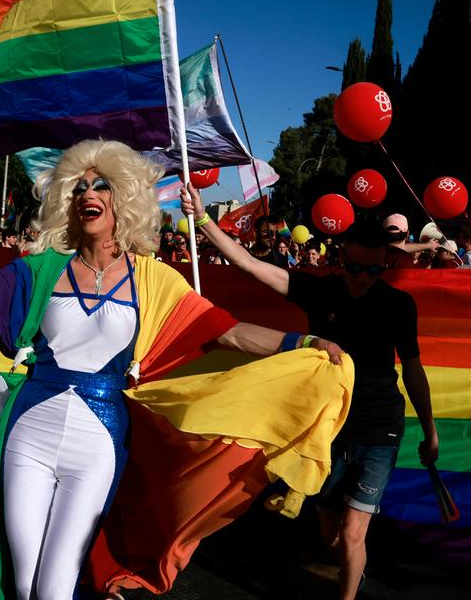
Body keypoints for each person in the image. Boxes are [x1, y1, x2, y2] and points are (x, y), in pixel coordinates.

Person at [0, 140, 350, 599]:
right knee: (23, 581)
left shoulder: (154, 278)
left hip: (98, 439)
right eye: (78, 188)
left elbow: (228, 331)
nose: (88, 195)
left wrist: (301, 342)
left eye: (100, 186)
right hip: (27, 431)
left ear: (125, 200)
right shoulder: (39, 269)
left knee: (56, 586)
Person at [183, 185, 438, 600]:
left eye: (374, 271)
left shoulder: (399, 305)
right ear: (342, 259)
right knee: (330, 531)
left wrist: (430, 430)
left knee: (354, 534)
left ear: (385, 265)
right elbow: (248, 263)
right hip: (326, 430)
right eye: (356, 268)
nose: (363, 279)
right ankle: (341, 561)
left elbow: (413, 369)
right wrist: (203, 218)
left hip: (380, 431)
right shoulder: (320, 290)